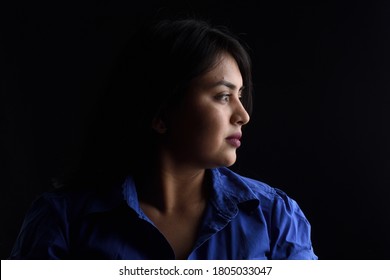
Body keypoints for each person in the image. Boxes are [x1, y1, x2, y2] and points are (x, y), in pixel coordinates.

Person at [9, 18, 317, 260]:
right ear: (159, 112)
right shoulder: (62, 220)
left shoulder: (275, 216)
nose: (243, 115)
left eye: (240, 95)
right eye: (223, 96)